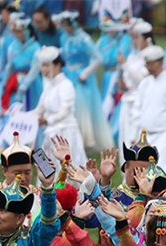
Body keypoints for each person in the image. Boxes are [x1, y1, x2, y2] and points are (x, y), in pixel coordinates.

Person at [131, 45, 166, 191]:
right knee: (145, 170)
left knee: (164, 169)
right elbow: (137, 110)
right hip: (147, 135)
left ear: (160, 62)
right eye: (147, 64)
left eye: (151, 63)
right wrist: (134, 135)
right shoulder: (145, 83)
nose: (148, 67)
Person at [57, 11, 113, 152]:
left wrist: (84, 73)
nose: (65, 28)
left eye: (67, 25)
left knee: (82, 110)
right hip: (68, 75)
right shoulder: (64, 37)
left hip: (81, 78)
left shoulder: (84, 39)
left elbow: (97, 58)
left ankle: (84, 140)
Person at [34, 46, 87, 167]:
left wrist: (47, 120)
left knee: (66, 170)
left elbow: (64, 112)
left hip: (65, 134)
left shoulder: (66, 85)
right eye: (43, 66)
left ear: (57, 65)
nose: (43, 69)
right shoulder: (49, 86)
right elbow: (39, 109)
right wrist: (16, 116)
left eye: (47, 65)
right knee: (46, 170)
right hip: (50, 133)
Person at [117, 20, 152, 158]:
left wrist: (124, 65)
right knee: (125, 134)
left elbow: (142, 80)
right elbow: (128, 77)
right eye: (132, 37)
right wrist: (122, 85)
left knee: (137, 134)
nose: (134, 41)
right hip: (128, 98)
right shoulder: (133, 55)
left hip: (141, 101)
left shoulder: (150, 56)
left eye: (137, 37)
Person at [0, 15, 42, 112]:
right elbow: (10, 66)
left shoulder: (36, 47)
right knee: (14, 109)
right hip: (16, 82)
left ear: (28, 31)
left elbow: (35, 69)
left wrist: (24, 85)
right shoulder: (13, 46)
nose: (16, 34)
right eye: (15, 31)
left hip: (32, 84)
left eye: (19, 31)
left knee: (32, 109)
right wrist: (5, 82)